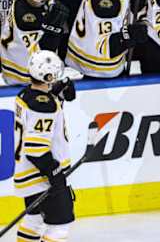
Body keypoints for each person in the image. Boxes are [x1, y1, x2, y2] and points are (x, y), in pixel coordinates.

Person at [14, 50, 76, 242]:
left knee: (33, 222)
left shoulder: (26, 94)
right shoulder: (44, 106)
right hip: (42, 178)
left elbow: (39, 109)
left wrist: (57, 93)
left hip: (27, 175)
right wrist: (54, 173)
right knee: (59, 228)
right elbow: (36, 149)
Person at [65, 0, 147, 78]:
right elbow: (105, 47)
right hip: (97, 65)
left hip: (85, 48)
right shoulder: (105, 7)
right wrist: (129, 34)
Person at [0, 0, 69, 85]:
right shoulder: (27, 18)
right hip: (23, 74)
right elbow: (45, 50)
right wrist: (55, 28)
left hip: (16, 62)